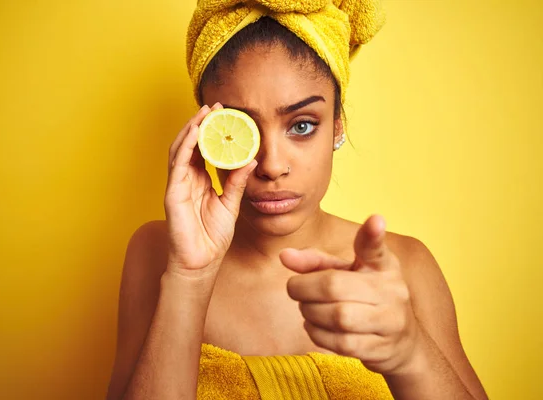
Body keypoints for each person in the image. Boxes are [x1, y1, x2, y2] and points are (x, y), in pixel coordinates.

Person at [106, 1, 488, 399]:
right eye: (244, 128)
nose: (271, 165)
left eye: (302, 125)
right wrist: (189, 278)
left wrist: (410, 353)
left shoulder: (407, 265)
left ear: (337, 125)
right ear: (211, 133)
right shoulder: (157, 252)